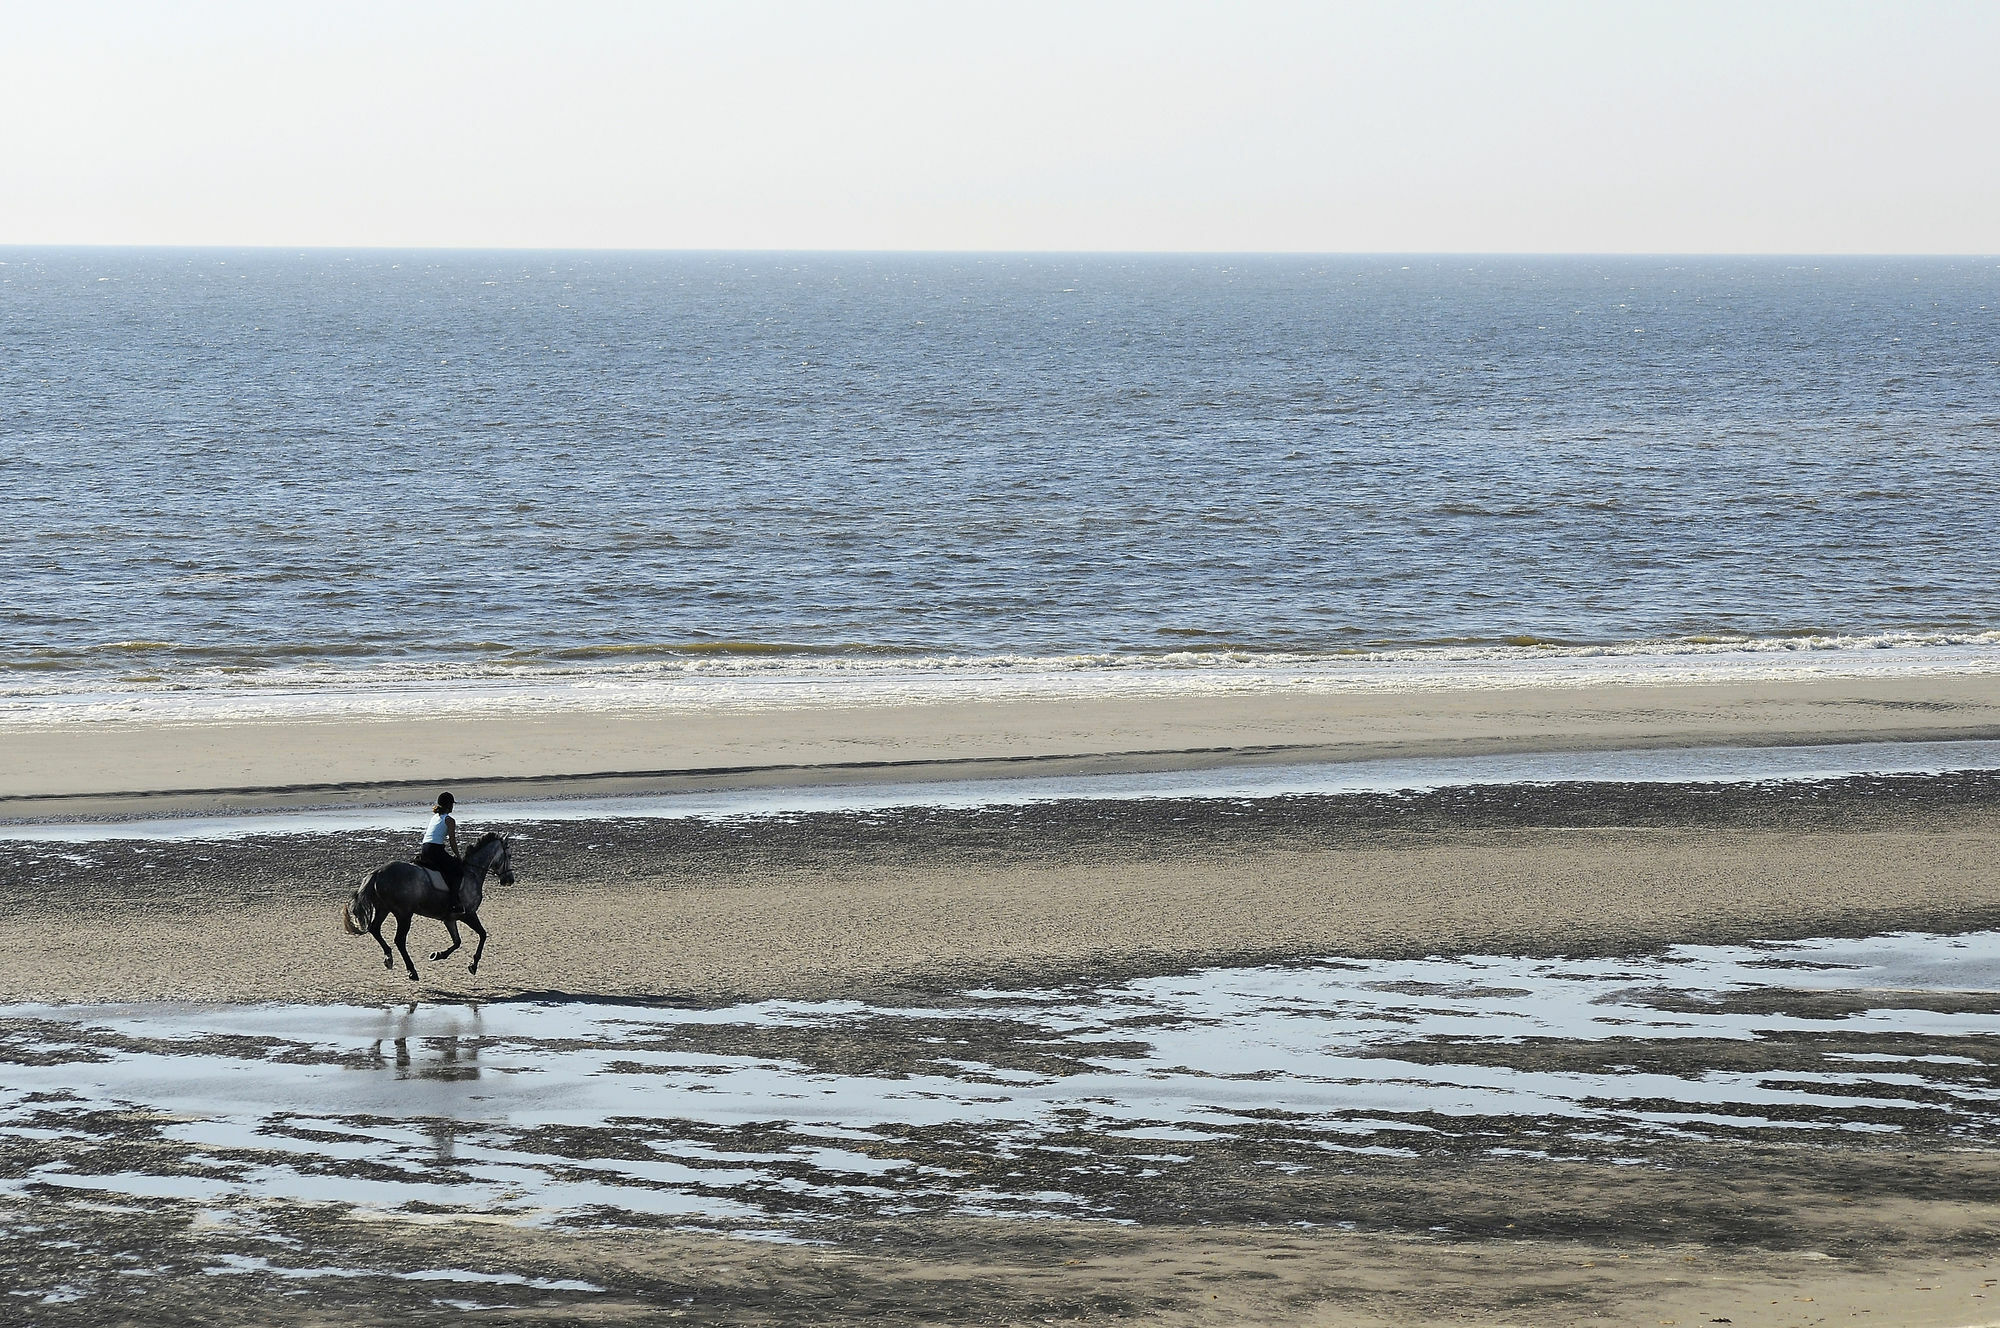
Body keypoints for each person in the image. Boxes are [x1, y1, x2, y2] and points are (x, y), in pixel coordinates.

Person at [414, 791, 465, 915]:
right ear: (449, 805)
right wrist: (459, 857)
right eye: (452, 804)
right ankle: (453, 902)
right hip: (435, 850)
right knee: (458, 871)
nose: (453, 806)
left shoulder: (435, 817)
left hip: (425, 848)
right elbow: (452, 842)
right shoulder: (449, 820)